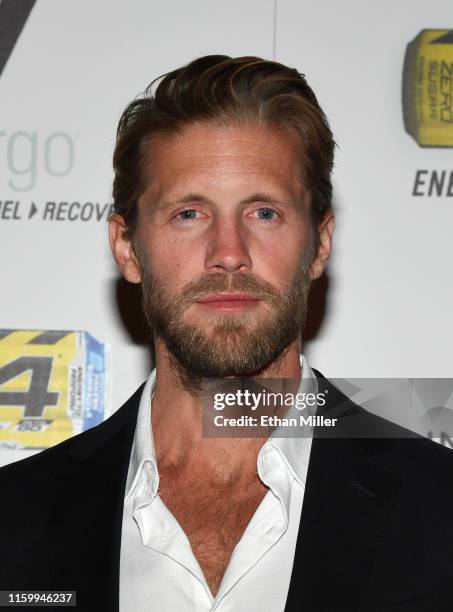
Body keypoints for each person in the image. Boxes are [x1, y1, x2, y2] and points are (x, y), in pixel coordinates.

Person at [1, 55, 453, 612]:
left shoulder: (440, 509)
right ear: (126, 246)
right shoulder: (14, 520)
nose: (229, 255)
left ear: (321, 243)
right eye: (189, 214)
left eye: (263, 213)